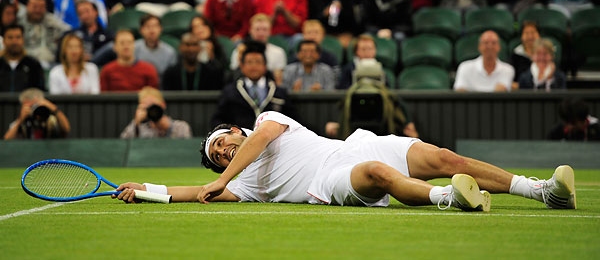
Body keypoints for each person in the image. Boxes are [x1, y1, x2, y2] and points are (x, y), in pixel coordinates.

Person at [115, 110, 577, 213]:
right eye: (217, 158)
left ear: (237, 131)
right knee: (378, 175)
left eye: (222, 142)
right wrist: (146, 191)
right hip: (330, 179)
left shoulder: (266, 121)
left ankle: (541, 190)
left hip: (359, 143)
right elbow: (193, 192)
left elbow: (263, 139)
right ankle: (449, 198)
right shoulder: (245, 184)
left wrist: (223, 178)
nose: (222, 152)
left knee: (444, 155)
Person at [212, 41, 296, 129]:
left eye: (258, 62)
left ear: (265, 66)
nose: (254, 66)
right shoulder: (231, 92)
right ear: (242, 66)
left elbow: (293, 120)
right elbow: (218, 119)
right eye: (249, 62)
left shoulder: (278, 92)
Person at [17, 0, 71, 69]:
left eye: (41, 7)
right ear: (28, 6)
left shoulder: (52, 21)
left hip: (50, 64)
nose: (38, 10)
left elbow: (70, 31)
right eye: (35, 7)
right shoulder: (18, 22)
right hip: (24, 64)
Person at [229, 13, 287, 84]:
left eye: (264, 30)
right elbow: (234, 76)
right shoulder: (239, 51)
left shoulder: (278, 52)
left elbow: (278, 81)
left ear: (270, 31)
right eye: (257, 29)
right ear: (250, 31)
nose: (261, 33)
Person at [120, 86, 192, 139]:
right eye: (147, 108)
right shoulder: (140, 129)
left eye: (153, 106)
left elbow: (186, 148)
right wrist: (136, 123)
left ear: (163, 105)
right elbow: (123, 146)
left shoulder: (181, 127)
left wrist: (168, 128)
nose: (152, 111)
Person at [4, 88, 70, 140]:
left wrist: (54, 109)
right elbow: (7, 140)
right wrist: (20, 120)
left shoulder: (50, 120)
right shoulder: (22, 122)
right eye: (30, 106)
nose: (33, 109)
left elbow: (66, 129)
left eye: (35, 105)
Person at [0, 24, 45, 92]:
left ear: (23, 40)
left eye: (18, 37)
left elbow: (40, 91)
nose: (14, 41)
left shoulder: (33, 65)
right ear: (3, 41)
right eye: (10, 37)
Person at [134, 14, 178, 80]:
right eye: (148, 26)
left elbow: (171, 77)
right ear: (141, 30)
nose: (152, 30)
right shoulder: (133, 48)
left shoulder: (170, 52)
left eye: (155, 26)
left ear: (161, 29)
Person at [510, 21, 540, 85]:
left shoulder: (545, 55)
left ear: (539, 35)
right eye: (526, 33)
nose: (530, 36)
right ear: (521, 37)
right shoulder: (515, 56)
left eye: (533, 32)